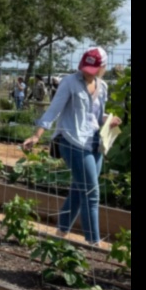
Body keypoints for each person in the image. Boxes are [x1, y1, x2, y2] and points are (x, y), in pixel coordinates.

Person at [23, 48, 122, 246]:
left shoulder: (102, 86)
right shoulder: (69, 83)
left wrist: (109, 120)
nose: (88, 72)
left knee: (79, 189)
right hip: (73, 141)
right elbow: (53, 111)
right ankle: (94, 243)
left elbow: (94, 117)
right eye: (86, 67)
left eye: (93, 69)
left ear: (103, 68)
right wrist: (37, 135)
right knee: (91, 193)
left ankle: (61, 232)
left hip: (95, 142)